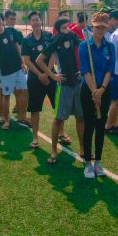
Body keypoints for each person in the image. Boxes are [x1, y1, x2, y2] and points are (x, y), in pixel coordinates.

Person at [76, 13, 116, 178]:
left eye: (103, 27)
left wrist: (101, 90)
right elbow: (85, 71)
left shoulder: (110, 46)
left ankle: (98, 162)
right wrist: (94, 92)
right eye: (97, 27)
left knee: (100, 127)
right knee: (89, 126)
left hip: (104, 90)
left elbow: (109, 70)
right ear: (92, 27)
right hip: (88, 90)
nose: (100, 30)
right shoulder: (84, 46)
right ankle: (87, 163)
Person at [47, 17, 83, 164]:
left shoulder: (73, 36)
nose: (67, 30)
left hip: (77, 82)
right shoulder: (55, 40)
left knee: (81, 117)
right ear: (58, 29)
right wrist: (53, 75)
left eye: (67, 27)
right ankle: (53, 150)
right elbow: (39, 60)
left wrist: (82, 70)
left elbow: (83, 48)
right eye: (63, 28)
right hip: (64, 85)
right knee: (59, 119)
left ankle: (83, 149)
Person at [20, 12, 55, 148]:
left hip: (51, 76)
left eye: (37, 19)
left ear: (41, 21)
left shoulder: (49, 36)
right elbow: (27, 60)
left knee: (58, 107)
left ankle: (62, 132)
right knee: (34, 110)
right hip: (35, 79)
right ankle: (35, 138)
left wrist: (47, 72)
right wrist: (40, 75)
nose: (35, 22)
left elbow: (53, 55)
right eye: (33, 20)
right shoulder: (27, 40)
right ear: (30, 23)